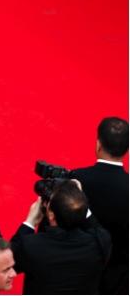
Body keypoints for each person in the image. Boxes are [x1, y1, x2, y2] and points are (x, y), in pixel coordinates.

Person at [11, 179, 111, 294]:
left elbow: (8, 262)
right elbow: (95, 227)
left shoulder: (31, 245)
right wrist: (77, 199)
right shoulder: (100, 242)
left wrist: (29, 223)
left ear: (52, 216)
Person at [71, 116, 129, 293]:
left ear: (98, 144)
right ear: (127, 149)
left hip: (77, 271)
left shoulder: (76, 179)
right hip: (118, 278)